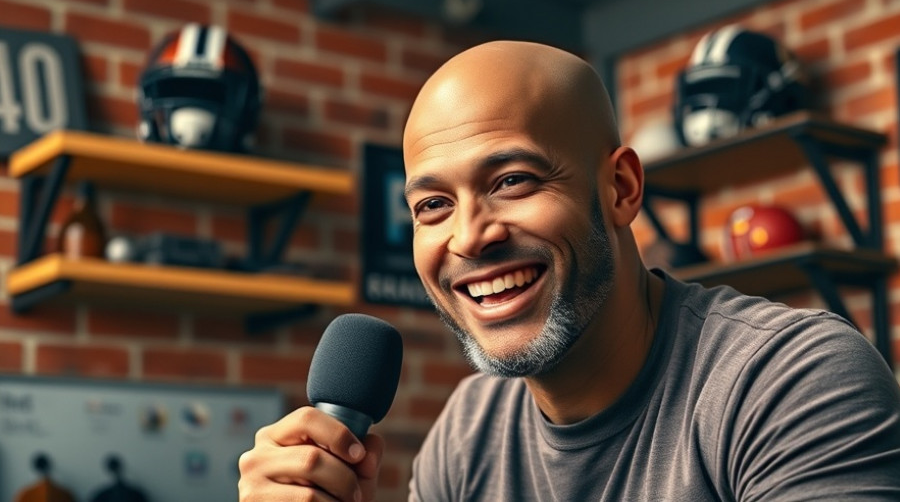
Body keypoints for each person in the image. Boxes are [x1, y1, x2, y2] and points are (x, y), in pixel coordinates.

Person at [238, 40, 900, 501]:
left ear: (620, 188)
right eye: (433, 205)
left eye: (513, 180)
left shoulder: (790, 380)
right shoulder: (469, 431)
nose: (469, 236)